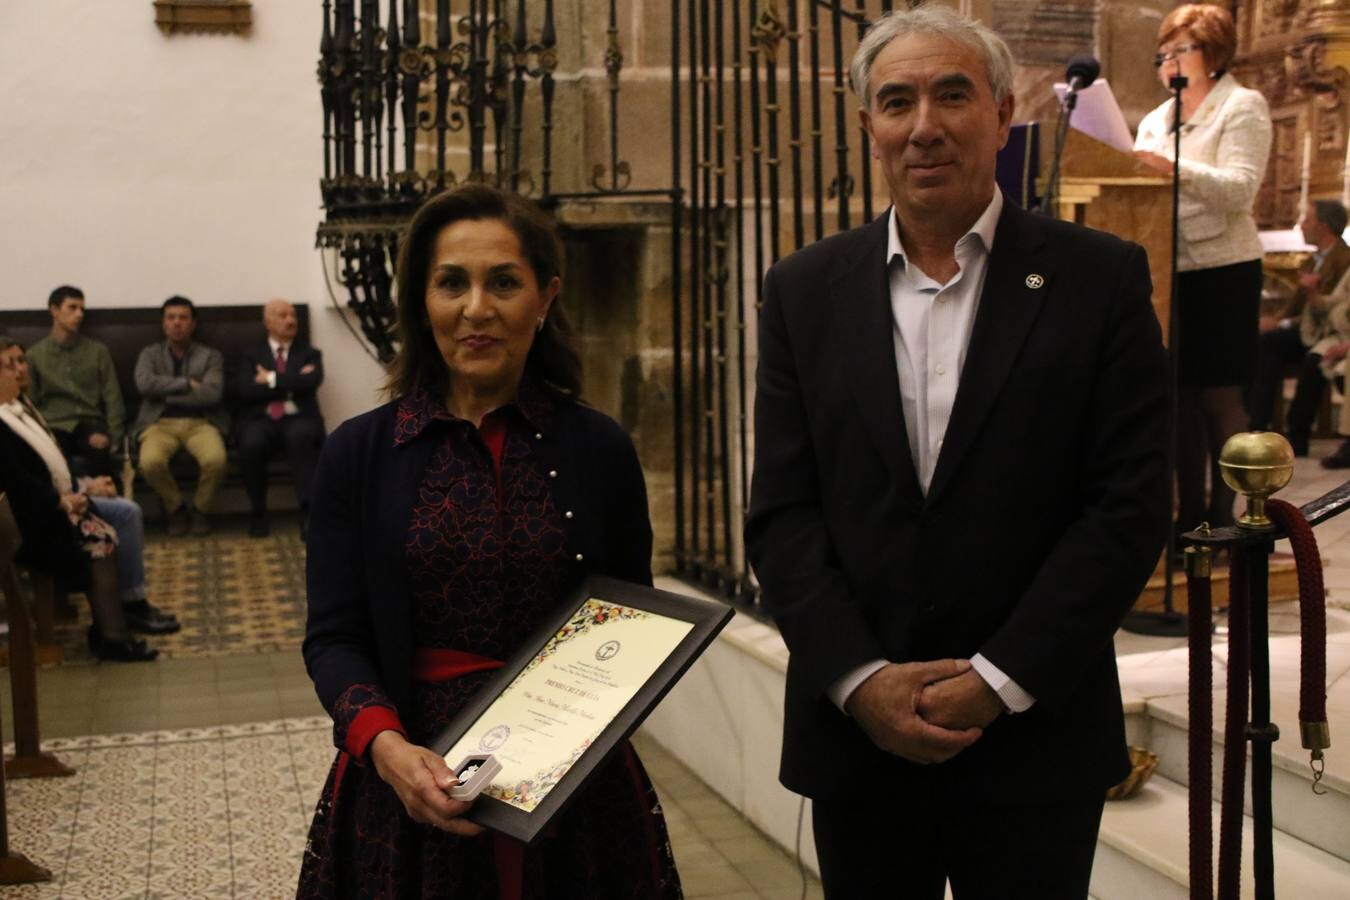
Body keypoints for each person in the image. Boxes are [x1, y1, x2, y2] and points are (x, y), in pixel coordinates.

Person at [745, 7, 1169, 898]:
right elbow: (784, 516)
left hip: (1034, 739)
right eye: (897, 102)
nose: (924, 125)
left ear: (1004, 111)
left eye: (952, 94)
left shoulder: (1099, 280)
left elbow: (1126, 507)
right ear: (869, 127)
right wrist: (861, 681)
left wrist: (998, 679)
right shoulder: (803, 292)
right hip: (861, 742)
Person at [297, 184, 680, 898]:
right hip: (408, 778)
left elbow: (631, 625)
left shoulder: (600, 449)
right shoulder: (358, 454)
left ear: (545, 297)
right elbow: (333, 637)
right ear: (421, 300)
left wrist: (569, 738)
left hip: (575, 791)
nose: (477, 308)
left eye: (504, 282)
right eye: (452, 283)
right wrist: (386, 748)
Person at [1134, 2, 1272, 532]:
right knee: (1179, 397)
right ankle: (1188, 516)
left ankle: (1227, 514)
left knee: (1219, 396)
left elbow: (1239, 190)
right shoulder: (1155, 119)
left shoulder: (1242, 105)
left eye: (1180, 51)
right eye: (1162, 54)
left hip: (1223, 267)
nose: (1168, 62)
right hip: (1168, 266)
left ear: (1212, 53)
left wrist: (1173, 168)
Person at [0, 342, 157, 662]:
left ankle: (115, 624)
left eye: (20, 362)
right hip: (26, 520)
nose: (20, 370)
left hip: (48, 504)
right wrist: (65, 502)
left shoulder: (20, 407)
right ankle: (112, 634)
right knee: (100, 537)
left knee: (110, 525)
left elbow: (51, 463)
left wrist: (82, 490)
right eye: (9, 365)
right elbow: (16, 483)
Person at [1249, 200, 1350, 454]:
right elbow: (1299, 306)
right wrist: (1277, 321)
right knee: (1267, 344)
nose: (1301, 226)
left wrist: (1282, 321)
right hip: (1310, 328)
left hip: (1329, 330)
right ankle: (1258, 425)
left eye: (1307, 220)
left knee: (1314, 360)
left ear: (1323, 226)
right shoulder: (1311, 260)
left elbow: (1332, 308)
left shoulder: (1344, 259)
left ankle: (1297, 434)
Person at [133, 296, 228, 536]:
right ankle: (176, 509)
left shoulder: (210, 356)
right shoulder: (150, 354)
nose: (177, 323)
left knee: (216, 460)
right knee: (150, 462)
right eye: (171, 318)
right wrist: (186, 383)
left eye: (183, 318)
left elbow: (211, 394)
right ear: (163, 323)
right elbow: (145, 385)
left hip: (201, 423)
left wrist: (164, 394)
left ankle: (200, 510)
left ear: (193, 323)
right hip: (158, 423)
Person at [230, 299, 325, 538]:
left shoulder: (310, 353)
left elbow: (311, 383)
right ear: (267, 322)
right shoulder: (250, 355)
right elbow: (245, 390)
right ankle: (258, 512)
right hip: (259, 418)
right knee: (251, 442)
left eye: (293, 315)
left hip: (298, 417)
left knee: (301, 437)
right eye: (282, 315)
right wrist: (292, 382)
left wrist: (270, 379)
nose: (291, 320)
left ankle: (309, 514)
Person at [25, 285, 126, 479]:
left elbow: (112, 397)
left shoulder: (97, 351)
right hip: (53, 424)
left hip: (89, 422)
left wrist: (113, 436)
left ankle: (105, 506)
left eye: (82, 309)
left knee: (99, 453)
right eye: (72, 307)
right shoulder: (35, 355)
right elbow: (31, 402)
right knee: (51, 460)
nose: (79, 314)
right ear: (54, 310)